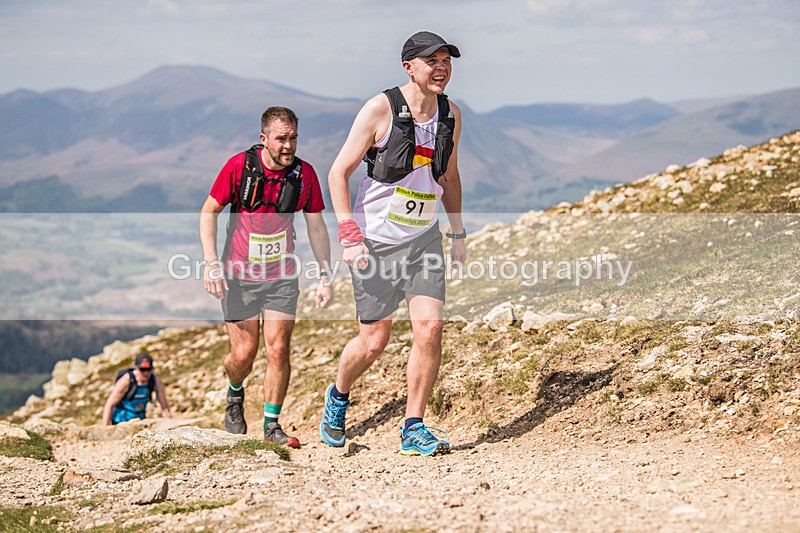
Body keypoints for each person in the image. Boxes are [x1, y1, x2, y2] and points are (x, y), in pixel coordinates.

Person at [320, 31, 467, 456]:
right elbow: (338, 173)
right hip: (375, 242)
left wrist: (457, 233)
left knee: (430, 328)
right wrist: (349, 236)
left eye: (446, 60)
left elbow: (449, 175)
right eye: (432, 61)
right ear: (409, 67)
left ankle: (413, 427)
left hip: (423, 238)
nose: (441, 68)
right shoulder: (379, 109)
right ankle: (338, 394)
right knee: (373, 342)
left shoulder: (451, 114)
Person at [200, 106, 333, 449]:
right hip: (238, 276)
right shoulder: (239, 167)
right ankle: (235, 392)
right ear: (264, 139)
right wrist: (211, 264)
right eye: (281, 139)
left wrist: (325, 275)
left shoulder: (304, 174)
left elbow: (316, 225)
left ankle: (271, 425)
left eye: (293, 138)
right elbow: (209, 211)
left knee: (278, 348)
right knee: (243, 355)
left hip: (281, 277)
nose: (288, 146)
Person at [103, 353, 172, 425]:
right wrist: (106, 427)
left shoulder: (155, 380)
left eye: (148, 370)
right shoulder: (126, 381)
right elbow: (109, 405)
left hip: (140, 421)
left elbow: (164, 406)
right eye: (142, 370)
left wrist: (169, 421)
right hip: (120, 422)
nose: (146, 373)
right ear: (136, 368)